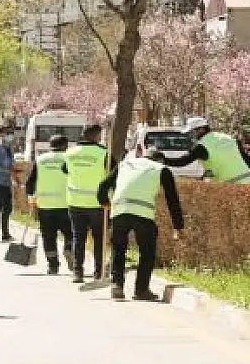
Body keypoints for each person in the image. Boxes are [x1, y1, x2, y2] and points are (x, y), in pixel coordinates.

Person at [98, 150, 185, 301]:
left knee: (118, 249)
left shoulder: (125, 164)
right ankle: (141, 290)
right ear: (160, 160)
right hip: (143, 215)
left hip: (119, 212)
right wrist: (178, 226)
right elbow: (172, 199)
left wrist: (105, 203)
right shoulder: (161, 169)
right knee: (147, 252)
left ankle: (117, 287)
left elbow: (102, 186)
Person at [63, 125, 109, 283]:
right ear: (97, 136)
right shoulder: (103, 153)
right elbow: (113, 174)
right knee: (99, 238)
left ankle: (78, 272)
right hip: (98, 203)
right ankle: (98, 272)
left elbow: (65, 170)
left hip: (75, 202)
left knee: (78, 237)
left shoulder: (70, 153)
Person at [25, 135, 74, 275]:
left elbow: (30, 183)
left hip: (45, 206)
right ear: (65, 146)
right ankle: (69, 248)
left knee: (48, 237)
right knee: (71, 233)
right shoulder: (69, 158)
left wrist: (31, 200)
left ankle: (53, 266)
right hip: (67, 205)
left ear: (50, 146)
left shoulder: (40, 160)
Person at [164, 117, 250, 184]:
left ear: (201, 129)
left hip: (231, 186)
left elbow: (182, 161)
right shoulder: (227, 137)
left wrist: (163, 159)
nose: (191, 135)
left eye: (192, 132)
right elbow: (245, 157)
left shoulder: (202, 146)